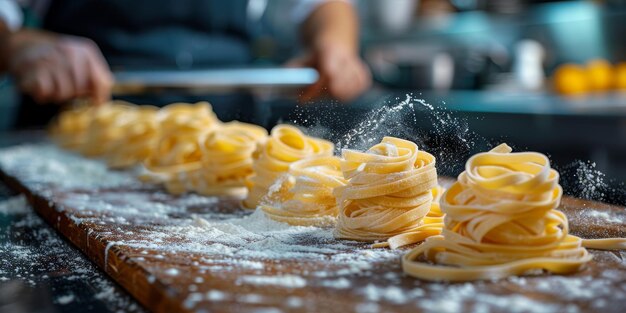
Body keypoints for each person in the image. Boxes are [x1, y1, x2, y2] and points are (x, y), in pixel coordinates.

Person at [0, 0, 371, 125]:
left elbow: (322, 4)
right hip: (74, 135)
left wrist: (335, 44)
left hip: (227, 132)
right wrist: (16, 44)